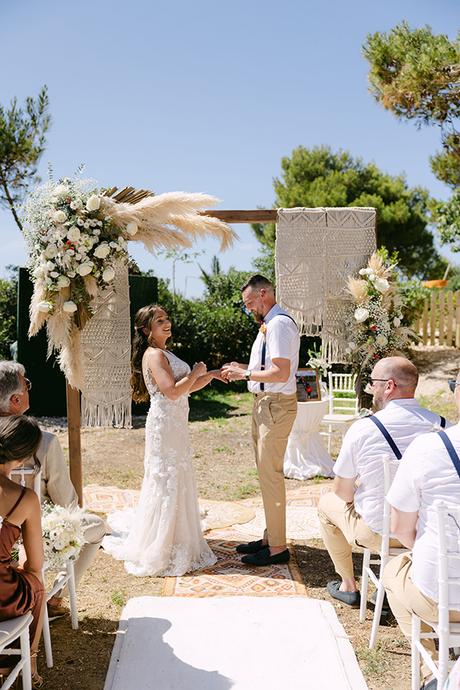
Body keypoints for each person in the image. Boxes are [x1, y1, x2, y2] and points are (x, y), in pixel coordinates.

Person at [317, 356, 449, 606]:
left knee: (326, 504)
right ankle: (393, 584)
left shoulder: (364, 429)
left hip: (380, 530)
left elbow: (343, 493)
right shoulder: (443, 427)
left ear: (389, 386)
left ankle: (348, 585)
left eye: (373, 382)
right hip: (429, 531)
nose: (370, 388)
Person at [102, 304, 222, 576]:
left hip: (175, 423)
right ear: (146, 330)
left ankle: (179, 537)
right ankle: (163, 541)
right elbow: (170, 392)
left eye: (167, 318)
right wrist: (196, 370)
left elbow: (186, 388)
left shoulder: (164, 352)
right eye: (159, 321)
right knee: (167, 477)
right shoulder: (154, 355)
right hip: (166, 425)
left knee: (178, 474)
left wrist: (209, 375)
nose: (167, 323)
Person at [0, 360, 106, 617]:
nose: (29, 389)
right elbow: (66, 502)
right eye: (27, 386)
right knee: (98, 527)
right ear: (16, 399)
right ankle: (52, 598)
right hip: (33, 536)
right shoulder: (43, 442)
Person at [383, 372, 460, 690]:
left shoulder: (430, 447)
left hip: (444, 600)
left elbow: (401, 528)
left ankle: (433, 671)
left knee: (391, 572)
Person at [222, 275, 300, 566]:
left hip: (276, 407)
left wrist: (245, 375)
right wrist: (241, 367)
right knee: (266, 475)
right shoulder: (270, 325)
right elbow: (267, 368)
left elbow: (280, 373)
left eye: (249, 303)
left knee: (271, 476)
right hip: (265, 405)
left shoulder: (278, 324)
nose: (248, 309)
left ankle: (278, 549)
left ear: (263, 294)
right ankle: (270, 537)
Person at [0, 415, 45, 687]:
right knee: (36, 585)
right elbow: (35, 564)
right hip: (2, 597)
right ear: (23, 457)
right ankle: (29, 660)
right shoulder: (24, 499)